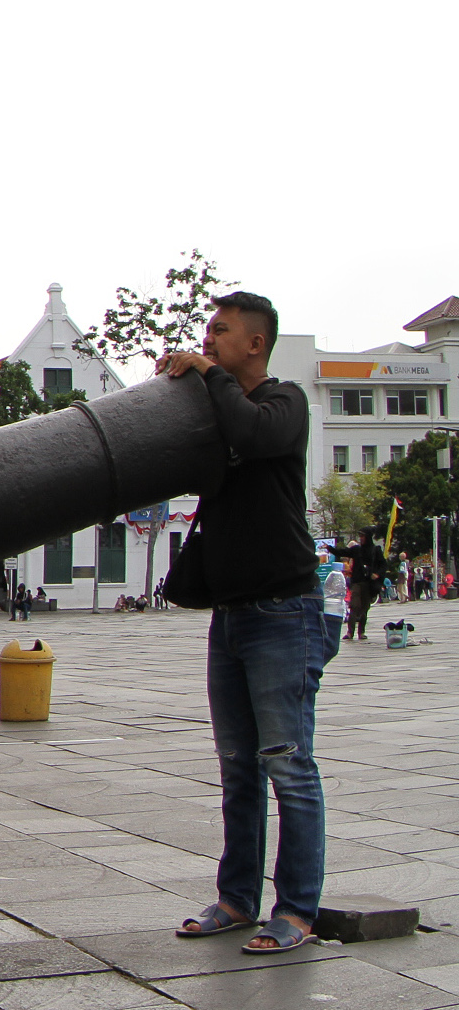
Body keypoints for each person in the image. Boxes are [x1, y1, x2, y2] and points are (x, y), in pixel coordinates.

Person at [162, 292, 334, 956]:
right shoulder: (218, 402)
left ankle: (294, 909)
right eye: (205, 332)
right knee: (237, 768)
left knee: (287, 765)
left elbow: (251, 434)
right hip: (230, 617)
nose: (207, 340)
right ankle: (235, 898)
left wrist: (208, 377)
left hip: (283, 613)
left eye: (219, 332)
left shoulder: (284, 403)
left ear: (254, 344)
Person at [341, 531, 384, 642]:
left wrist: (376, 574)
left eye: (362, 536)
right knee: (354, 606)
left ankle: (361, 632)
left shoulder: (373, 550)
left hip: (367, 583)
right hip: (356, 583)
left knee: (364, 608)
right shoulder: (357, 552)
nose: (361, 538)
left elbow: (382, 564)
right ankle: (350, 632)